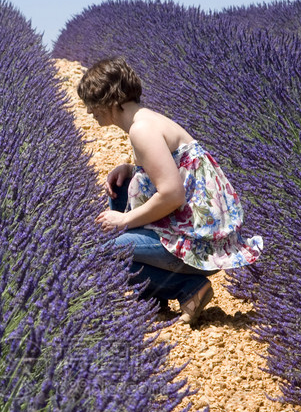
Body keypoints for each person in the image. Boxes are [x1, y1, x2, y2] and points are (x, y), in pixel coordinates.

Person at [77, 57, 263, 325]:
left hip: (196, 242)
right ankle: (154, 298)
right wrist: (130, 170)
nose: (88, 112)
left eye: (91, 102)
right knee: (119, 190)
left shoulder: (142, 129)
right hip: (191, 230)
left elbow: (173, 194)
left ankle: (186, 288)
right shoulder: (146, 120)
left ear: (109, 100)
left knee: (104, 253)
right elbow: (170, 171)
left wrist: (125, 219)